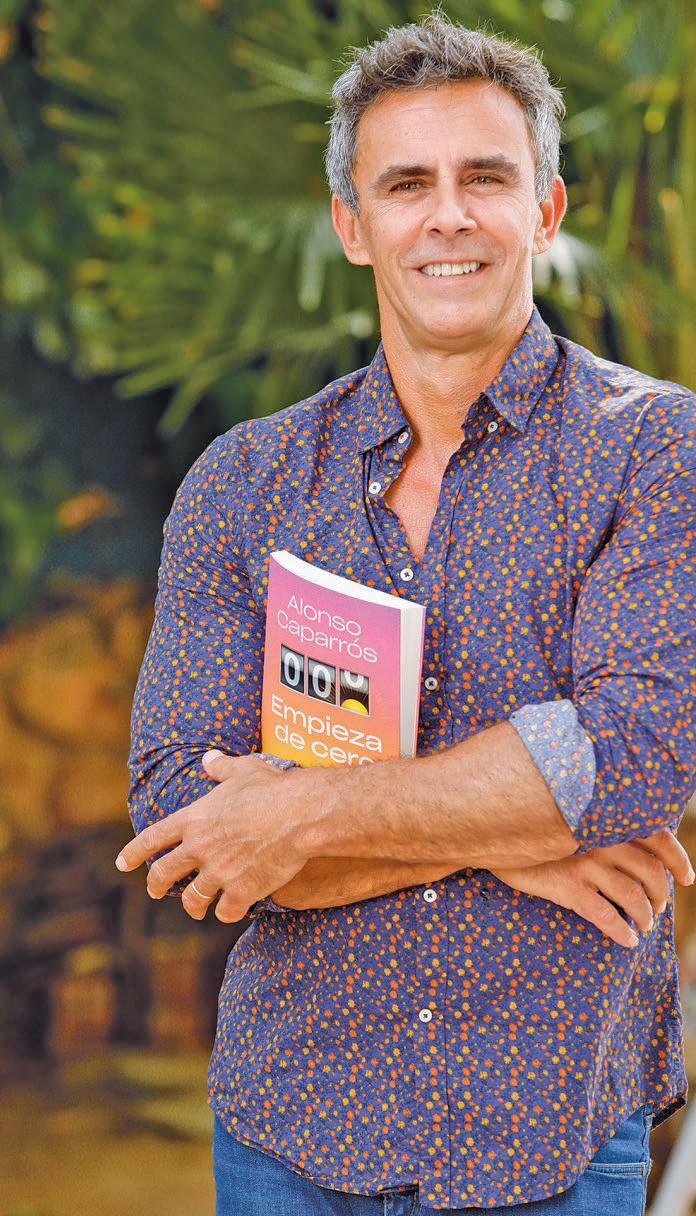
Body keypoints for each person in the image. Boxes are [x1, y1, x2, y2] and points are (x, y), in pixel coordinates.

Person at [116, 11, 696, 1214]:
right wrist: (520, 838)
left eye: (484, 177)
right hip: (290, 1127)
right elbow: (183, 813)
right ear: (351, 224)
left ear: (543, 207)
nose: (447, 215)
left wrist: (297, 813)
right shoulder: (244, 480)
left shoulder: (655, 451)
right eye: (405, 184)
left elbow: (637, 753)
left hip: (549, 1131)